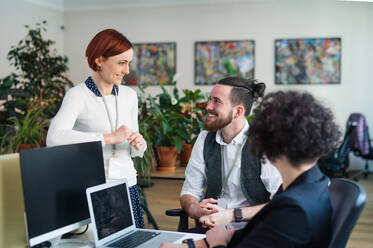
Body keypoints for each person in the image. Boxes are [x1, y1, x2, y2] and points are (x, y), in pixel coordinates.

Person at [162, 90, 341, 248]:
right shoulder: (313, 183)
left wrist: (218, 241)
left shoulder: (292, 210)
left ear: (271, 147)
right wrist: (198, 244)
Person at [46, 29, 146, 228]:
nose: (127, 71)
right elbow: (54, 138)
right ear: (99, 60)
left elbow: (133, 148)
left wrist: (139, 144)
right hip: (95, 189)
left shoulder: (129, 96)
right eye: (121, 63)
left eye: (129, 63)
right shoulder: (78, 95)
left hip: (128, 185)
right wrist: (108, 138)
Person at [180, 77, 282, 232]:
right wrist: (195, 208)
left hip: (254, 232)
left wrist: (233, 215)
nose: (208, 106)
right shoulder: (204, 139)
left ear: (238, 112)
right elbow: (189, 191)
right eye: (210, 100)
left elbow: (281, 202)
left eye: (216, 101)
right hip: (212, 230)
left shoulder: (264, 143)